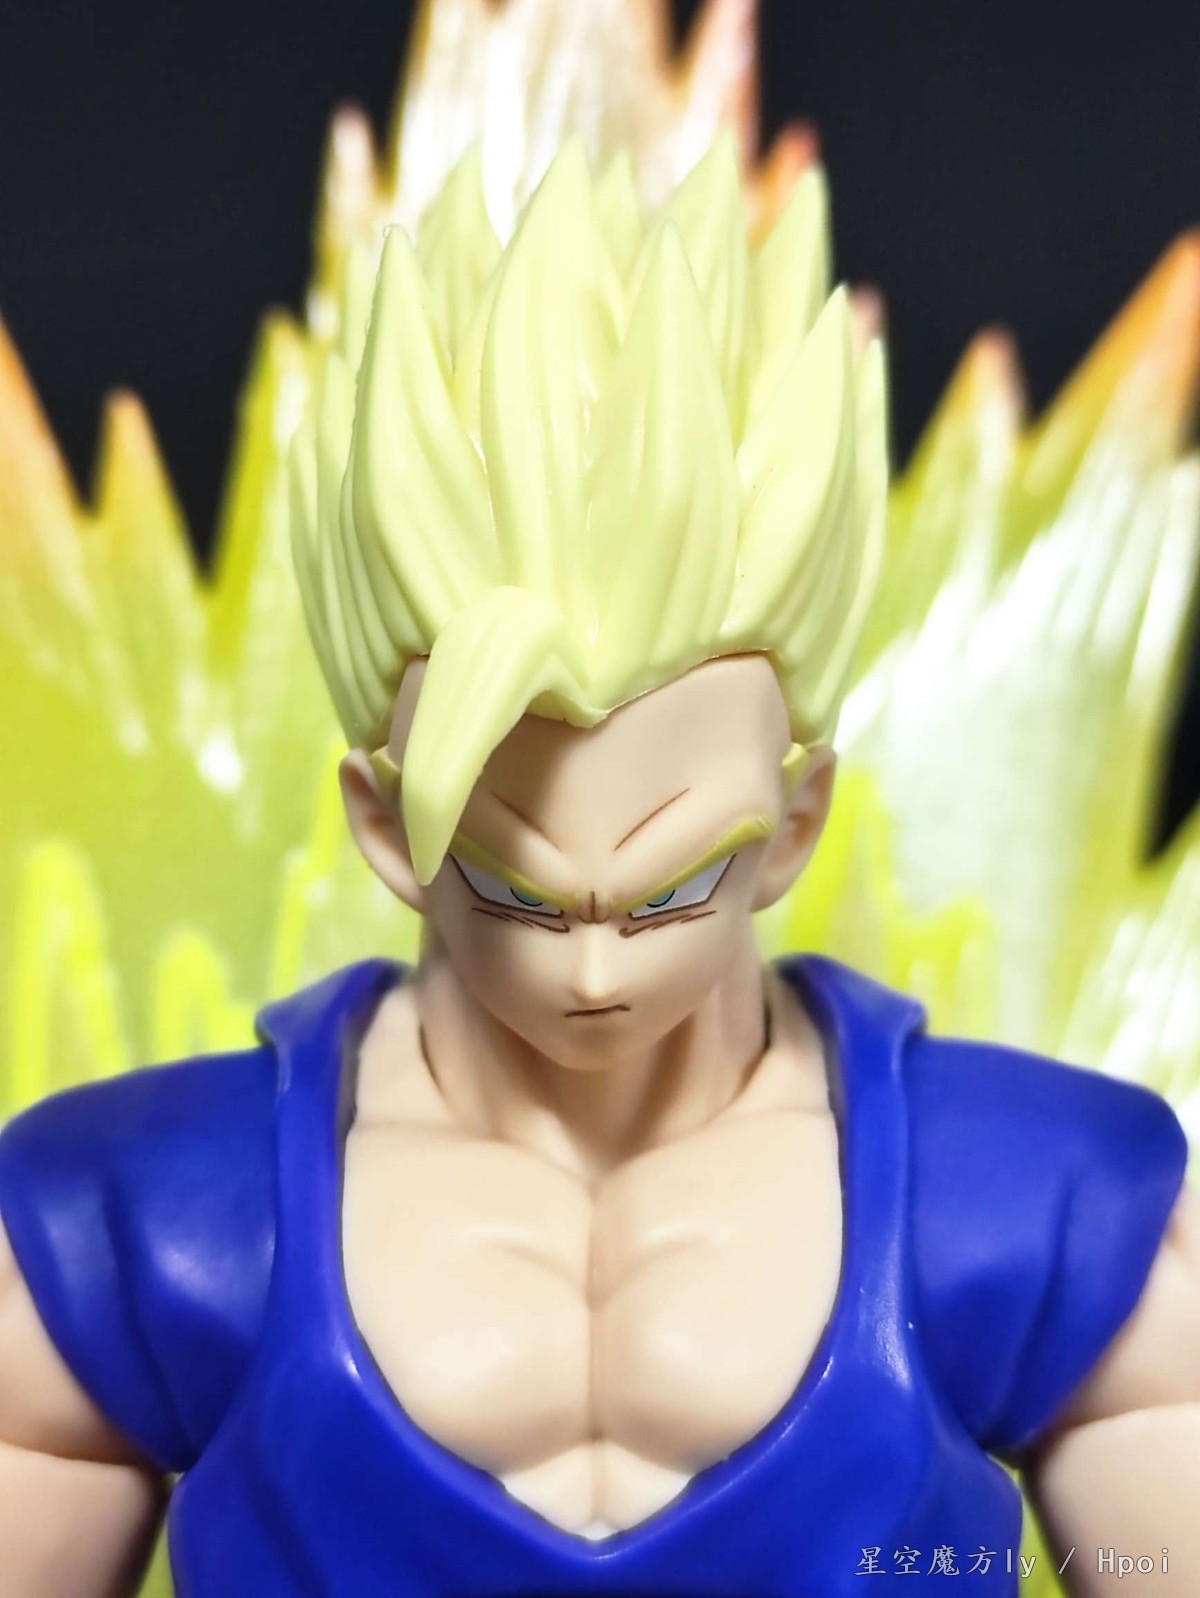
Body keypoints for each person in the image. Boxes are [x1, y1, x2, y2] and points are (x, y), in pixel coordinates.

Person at [0, 118, 1197, 1598]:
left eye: (670, 885)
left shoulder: (1036, 1206)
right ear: (384, 829)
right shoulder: (147, 1221)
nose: (588, 970)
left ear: (795, 824)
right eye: (513, 887)